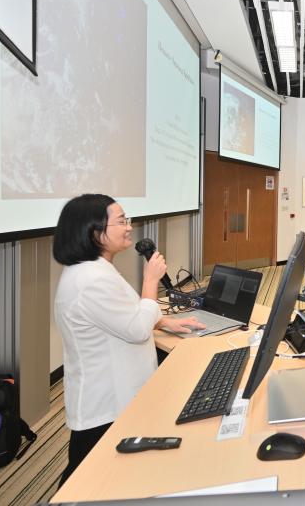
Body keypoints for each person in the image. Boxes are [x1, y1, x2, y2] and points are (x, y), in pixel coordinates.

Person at [53, 194, 205, 485]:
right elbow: (135, 328)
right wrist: (150, 280)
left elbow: (121, 313)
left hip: (117, 393)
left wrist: (163, 321)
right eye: (121, 221)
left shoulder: (96, 269)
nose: (128, 227)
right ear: (95, 232)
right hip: (106, 403)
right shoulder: (91, 279)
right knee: (85, 481)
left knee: (99, 477)